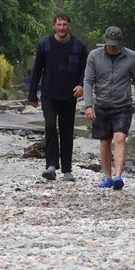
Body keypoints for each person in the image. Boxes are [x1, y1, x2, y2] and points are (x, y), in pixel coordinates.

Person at [83, 26, 135, 190]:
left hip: (123, 105)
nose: (111, 47)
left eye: (115, 44)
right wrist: (88, 105)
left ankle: (118, 176)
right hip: (102, 105)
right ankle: (107, 176)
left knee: (119, 138)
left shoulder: (131, 57)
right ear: (105, 41)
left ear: (120, 43)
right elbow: (88, 81)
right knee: (104, 142)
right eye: (109, 44)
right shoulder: (94, 56)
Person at [27, 12, 88, 182]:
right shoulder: (44, 44)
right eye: (58, 25)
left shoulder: (79, 46)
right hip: (49, 94)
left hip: (69, 95)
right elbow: (37, 69)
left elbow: (85, 69)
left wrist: (81, 84)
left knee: (67, 131)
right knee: (50, 126)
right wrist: (32, 94)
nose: (61, 28)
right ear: (53, 25)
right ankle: (51, 165)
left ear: (69, 25)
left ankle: (67, 169)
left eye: (64, 25)